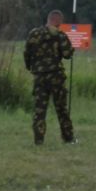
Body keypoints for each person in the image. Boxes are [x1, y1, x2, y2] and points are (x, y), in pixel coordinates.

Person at [23, 9, 76, 145]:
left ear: (48, 19)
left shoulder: (33, 34)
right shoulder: (60, 35)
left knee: (39, 110)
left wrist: (31, 68)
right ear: (58, 21)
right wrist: (71, 45)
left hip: (39, 77)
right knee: (61, 109)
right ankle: (68, 137)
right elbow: (68, 54)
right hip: (56, 77)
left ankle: (39, 140)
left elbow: (27, 54)